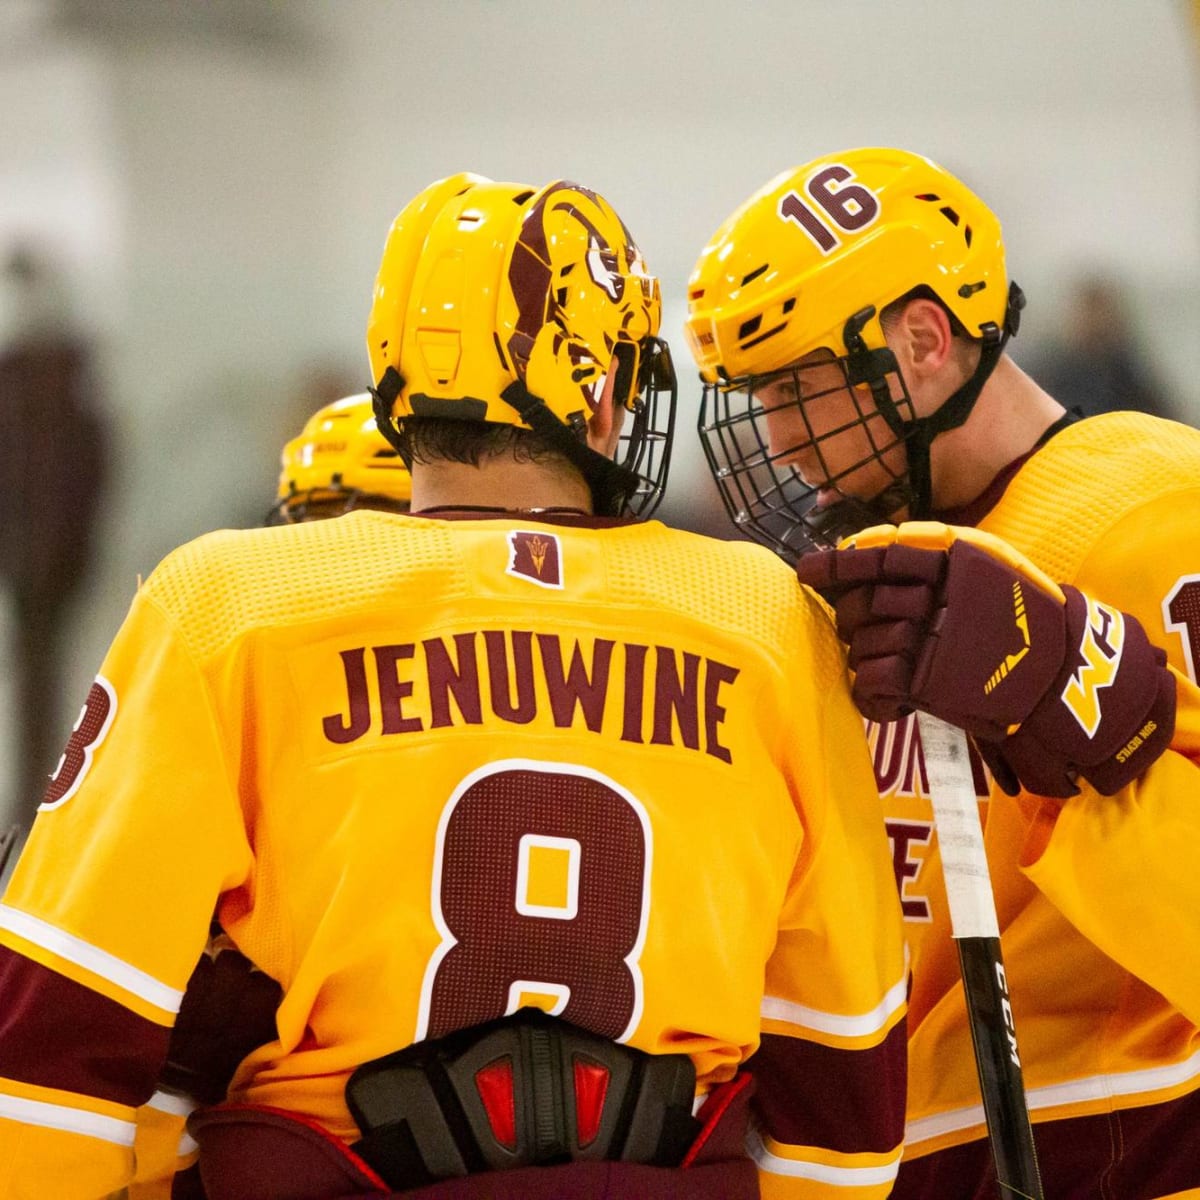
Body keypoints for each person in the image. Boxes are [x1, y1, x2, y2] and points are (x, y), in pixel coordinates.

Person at [0, 173, 908, 1200]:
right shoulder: (767, 616)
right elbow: (846, 1063)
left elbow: (61, 1030)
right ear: (604, 392)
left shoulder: (228, 603)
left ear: (391, 378)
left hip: (332, 1168)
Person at [684, 146, 1200, 1199]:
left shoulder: (1154, 511)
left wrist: (1077, 715)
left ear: (922, 341)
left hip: (1119, 1144)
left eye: (796, 388)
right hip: (898, 1157)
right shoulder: (844, 581)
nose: (779, 438)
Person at [125, 392, 415, 1199]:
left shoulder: (238, 674)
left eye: (363, 526)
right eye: (314, 527)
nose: (327, 558)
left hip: (318, 1142)